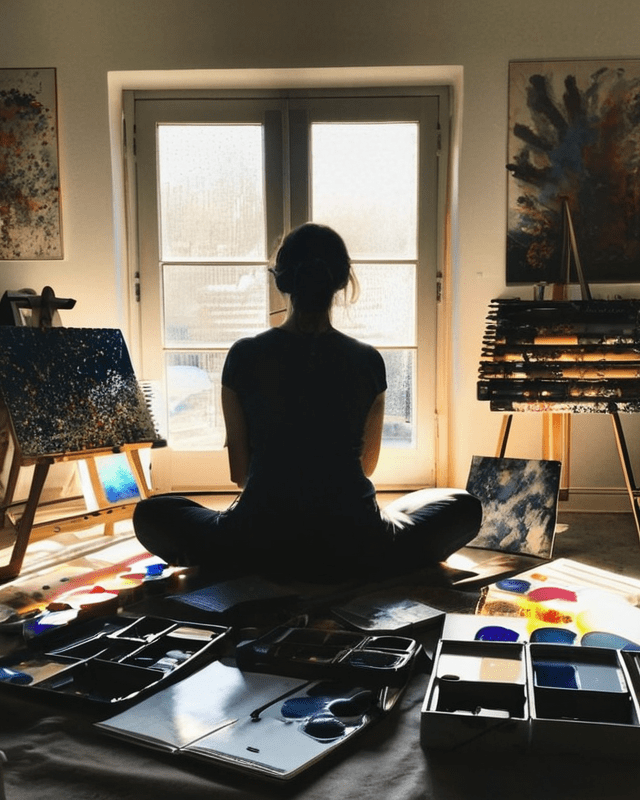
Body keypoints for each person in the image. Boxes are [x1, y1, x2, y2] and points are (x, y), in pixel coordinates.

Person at [133, 223, 481, 582]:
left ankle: (256, 564)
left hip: (255, 541)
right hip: (357, 543)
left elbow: (240, 475)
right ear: (342, 282)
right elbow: (366, 467)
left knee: (151, 514)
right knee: (463, 507)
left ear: (281, 281)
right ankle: (360, 557)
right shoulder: (367, 361)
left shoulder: (244, 356)